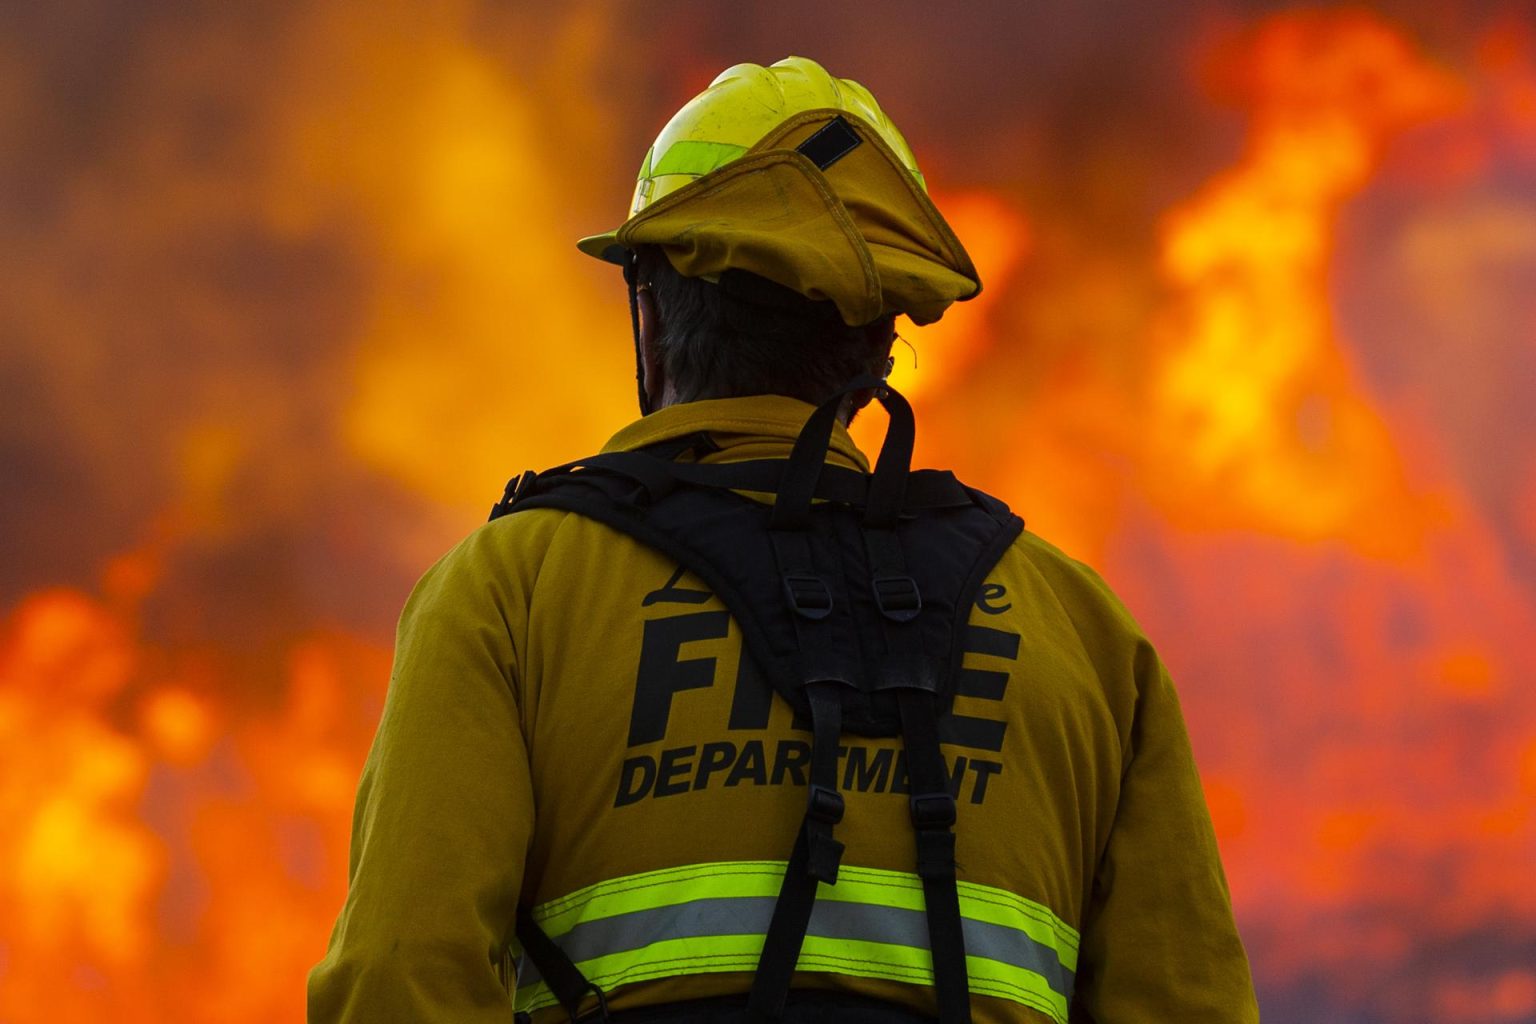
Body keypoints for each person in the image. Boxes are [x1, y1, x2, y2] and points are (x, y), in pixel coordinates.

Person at [307, 57, 1258, 1024]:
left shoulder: (510, 594)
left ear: (652, 314)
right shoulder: (1085, 639)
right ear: (879, 345)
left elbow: (396, 978)